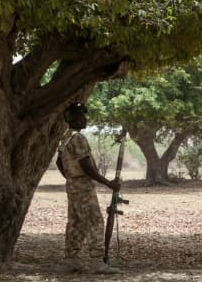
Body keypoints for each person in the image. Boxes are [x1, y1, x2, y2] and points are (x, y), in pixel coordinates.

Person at [56, 102, 122, 274]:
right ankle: (96, 262)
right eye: (80, 116)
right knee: (94, 221)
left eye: (84, 116)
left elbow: (58, 162)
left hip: (72, 184)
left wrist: (70, 177)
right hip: (82, 185)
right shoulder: (78, 138)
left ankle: (72, 260)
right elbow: (87, 166)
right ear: (72, 118)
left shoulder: (65, 137)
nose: (84, 119)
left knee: (75, 222)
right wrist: (108, 183)